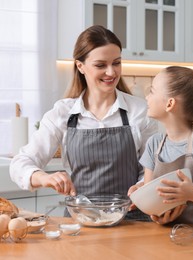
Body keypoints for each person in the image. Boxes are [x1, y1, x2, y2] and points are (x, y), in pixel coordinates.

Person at [10, 25, 158, 220]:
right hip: (81, 221)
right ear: (81, 66)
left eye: (117, 63)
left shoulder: (139, 111)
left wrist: (141, 186)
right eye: (100, 65)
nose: (111, 72)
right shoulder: (63, 113)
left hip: (133, 222)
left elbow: (152, 169)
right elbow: (20, 164)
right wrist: (45, 178)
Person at [129, 66, 193, 225]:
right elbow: (151, 198)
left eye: (152, 91)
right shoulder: (154, 144)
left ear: (170, 104)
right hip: (161, 238)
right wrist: (140, 193)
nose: (147, 97)